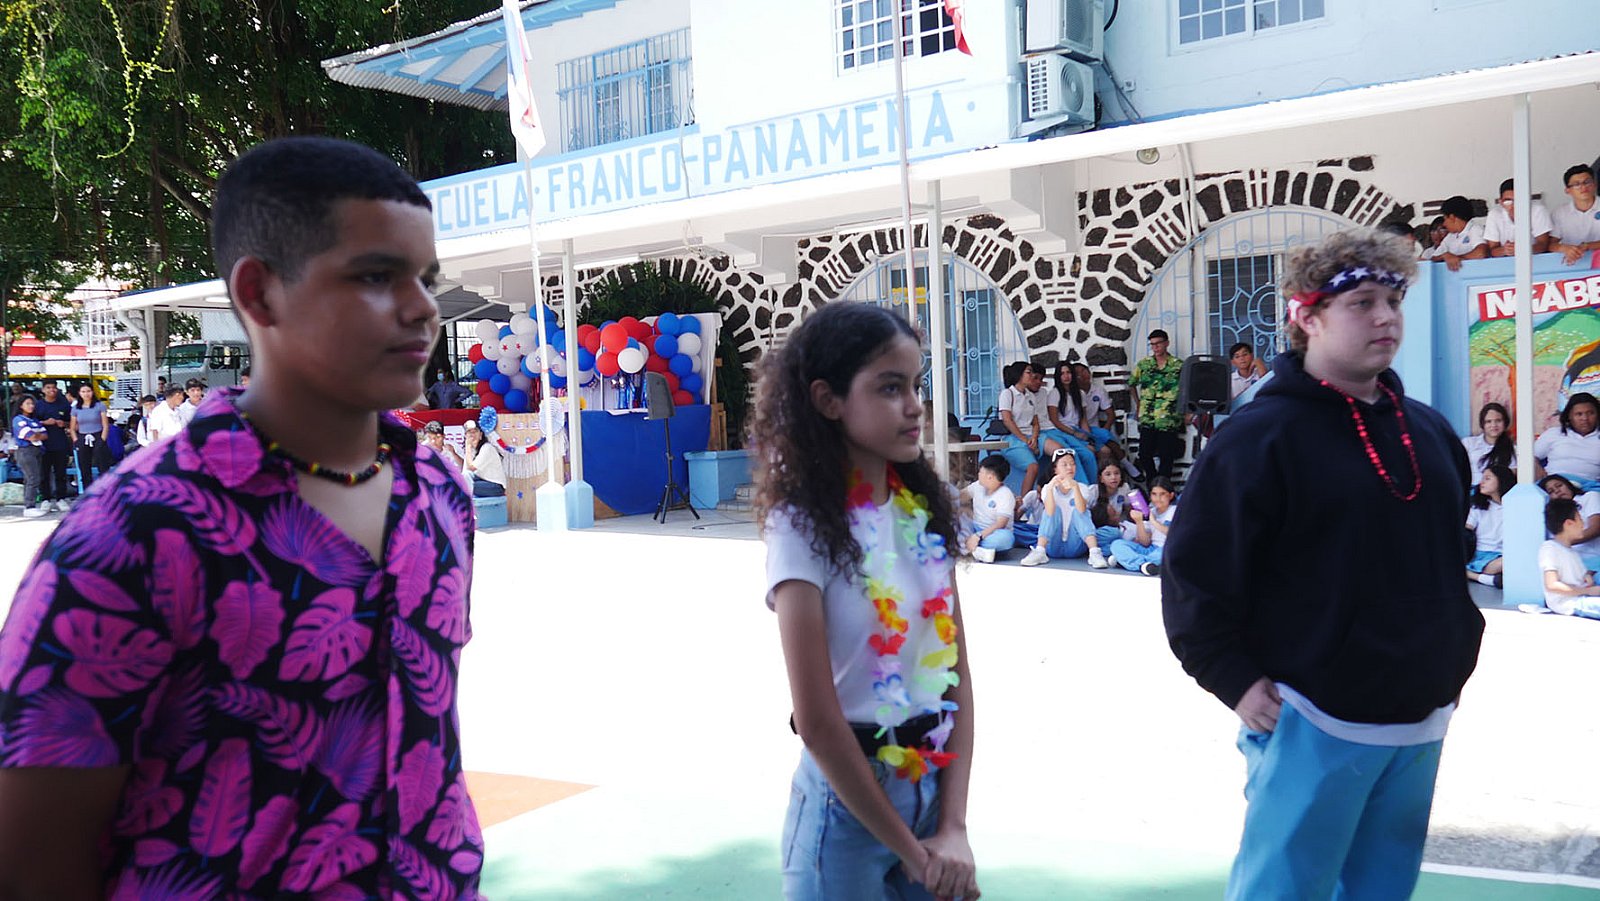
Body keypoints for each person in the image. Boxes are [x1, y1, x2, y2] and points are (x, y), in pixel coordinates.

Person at [0, 136, 483, 896]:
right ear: (259, 294)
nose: (422, 308)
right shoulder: (134, 533)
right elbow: (33, 857)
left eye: (425, 279)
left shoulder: (439, 496)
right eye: (375, 275)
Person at [1162, 228, 1484, 900]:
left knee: (1381, 892)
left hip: (1421, 717)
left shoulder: (1430, 432)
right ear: (1307, 317)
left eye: (1393, 300)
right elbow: (1195, 574)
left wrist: (1452, 659)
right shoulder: (1256, 438)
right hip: (1311, 718)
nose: (1386, 317)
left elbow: (1450, 556)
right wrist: (1232, 678)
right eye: (1362, 302)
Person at [752, 301, 979, 901]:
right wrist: (914, 855)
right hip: (845, 811)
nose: (914, 405)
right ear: (828, 400)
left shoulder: (925, 512)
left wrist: (953, 829)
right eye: (889, 387)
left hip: (931, 791)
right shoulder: (801, 527)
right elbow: (818, 722)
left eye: (916, 385)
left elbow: (957, 680)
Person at [1017, 448, 1111, 569]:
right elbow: (1049, 511)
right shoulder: (1047, 488)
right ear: (1055, 469)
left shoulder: (1082, 487)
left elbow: (1082, 510)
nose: (1069, 467)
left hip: (1075, 544)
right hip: (1053, 544)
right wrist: (1050, 488)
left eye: (1072, 464)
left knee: (1079, 510)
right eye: (1064, 464)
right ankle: (1040, 551)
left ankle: (1094, 553)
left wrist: (1075, 487)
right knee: (1053, 510)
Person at [1131, 329, 1185, 480]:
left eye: (1158, 343)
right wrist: (1138, 404)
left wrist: (1186, 410)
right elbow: (1131, 383)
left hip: (1169, 416)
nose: (1155, 347)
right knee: (1144, 454)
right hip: (1148, 416)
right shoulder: (1144, 364)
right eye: (1152, 344)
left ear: (1166, 343)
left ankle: (1164, 487)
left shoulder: (1178, 365)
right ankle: (1153, 484)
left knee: (1167, 455)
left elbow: (1187, 388)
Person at [1539, 497, 1600, 619]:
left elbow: (1579, 577)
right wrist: (1589, 591)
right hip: (1570, 602)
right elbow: (1551, 585)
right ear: (1569, 523)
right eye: (1580, 519)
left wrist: (1587, 577)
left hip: (1582, 595)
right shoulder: (1550, 548)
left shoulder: (1570, 551)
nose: (1583, 524)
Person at [996, 361, 1045, 502]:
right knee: (1033, 467)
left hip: (1031, 437)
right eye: (1028, 372)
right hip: (1013, 439)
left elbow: (1035, 422)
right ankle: (1024, 503)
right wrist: (1025, 439)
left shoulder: (1030, 396)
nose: (1032, 375)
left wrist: (1034, 438)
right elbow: (1007, 420)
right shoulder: (1007, 394)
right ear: (1019, 375)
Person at [1107, 477, 1176, 576]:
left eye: (1162, 494)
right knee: (1117, 544)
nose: (1158, 498)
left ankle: (1127, 561)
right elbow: (1145, 542)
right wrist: (1139, 521)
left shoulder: (1174, 511)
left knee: (1163, 554)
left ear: (1171, 495)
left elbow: (1172, 534)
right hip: (1151, 548)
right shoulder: (1151, 511)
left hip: (1166, 548)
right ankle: (1143, 565)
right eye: (1154, 494)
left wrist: (1153, 521)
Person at [1534, 391, 1600, 491]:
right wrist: (1537, 467)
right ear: (1569, 416)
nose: (1585, 418)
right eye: (1579, 414)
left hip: (1588, 488)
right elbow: (1530, 456)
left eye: (1590, 413)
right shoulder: (1554, 433)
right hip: (1553, 486)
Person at [961, 455, 1016, 563]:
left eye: (980, 472)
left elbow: (1000, 524)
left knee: (1007, 538)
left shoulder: (1005, 494)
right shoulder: (977, 486)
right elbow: (960, 496)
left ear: (990, 476)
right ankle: (977, 551)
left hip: (993, 533)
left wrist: (978, 536)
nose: (978, 474)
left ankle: (967, 547)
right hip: (975, 527)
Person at [1538, 474, 1600, 571]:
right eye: (1551, 491)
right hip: (1567, 563)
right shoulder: (1550, 514)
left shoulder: (1588, 497)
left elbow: (1596, 528)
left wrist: (1565, 541)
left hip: (1595, 557)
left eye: (1559, 486)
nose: (1557, 491)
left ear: (1568, 485)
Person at [1465, 463, 1511, 588]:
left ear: (1501, 480)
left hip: (1503, 554)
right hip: (1482, 555)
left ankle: (1476, 576)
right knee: (1508, 563)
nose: (1482, 482)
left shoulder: (1513, 506)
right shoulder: (1477, 507)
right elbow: (1467, 530)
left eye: (1487, 478)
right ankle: (1485, 578)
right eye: (1482, 478)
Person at [1483, 177, 1554, 257]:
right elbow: (1493, 251)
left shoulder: (1538, 210)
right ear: (1501, 202)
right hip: (1505, 261)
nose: (1514, 205)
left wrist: (1523, 249)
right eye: (1508, 201)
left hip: (1535, 260)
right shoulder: (1494, 215)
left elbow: (1543, 245)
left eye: (1519, 200)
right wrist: (1505, 250)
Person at [31, 377, 73, 512]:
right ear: (43, 390)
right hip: (43, 444)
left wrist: (64, 424)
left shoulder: (64, 404)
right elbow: (30, 422)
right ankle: (46, 499)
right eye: (48, 388)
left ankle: (61, 498)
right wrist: (44, 422)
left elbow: (71, 422)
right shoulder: (38, 405)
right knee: (44, 473)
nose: (51, 390)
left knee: (60, 472)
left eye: (54, 387)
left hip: (60, 443)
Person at [68, 381, 114, 491]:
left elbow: (105, 425)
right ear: (79, 393)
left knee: (103, 465)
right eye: (83, 391)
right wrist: (76, 440)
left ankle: (105, 490)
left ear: (92, 392)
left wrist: (102, 439)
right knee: (84, 467)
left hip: (97, 435)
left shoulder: (99, 406)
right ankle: (87, 491)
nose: (86, 394)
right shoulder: (76, 408)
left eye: (88, 391)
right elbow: (72, 427)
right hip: (82, 437)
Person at [1551, 164, 1600, 265]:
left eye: (1587, 182)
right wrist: (1564, 248)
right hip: (1573, 264)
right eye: (1576, 184)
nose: (1583, 187)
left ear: (1595, 184)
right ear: (1567, 190)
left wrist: (1588, 246)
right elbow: (1550, 244)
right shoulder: (1560, 212)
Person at [9, 395, 47, 518]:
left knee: (32, 478)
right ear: (21, 406)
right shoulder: (18, 420)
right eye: (28, 404)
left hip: (37, 450)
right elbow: (31, 436)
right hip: (25, 451)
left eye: (32, 404)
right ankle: (29, 506)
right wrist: (36, 434)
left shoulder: (34, 420)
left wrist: (36, 435)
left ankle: (30, 504)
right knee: (33, 478)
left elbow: (45, 435)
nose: (31, 406)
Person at [1463, 401, 1516, 489]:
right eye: (1488, 421)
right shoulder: (1468, 443)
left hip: (1494, 493)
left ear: (1505, 423)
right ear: (1482, 424)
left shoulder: (1512, 449)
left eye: (1498, 421)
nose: (1493, 425)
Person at [1430, 195, 1488, 271]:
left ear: (1452, 217)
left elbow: (1480, 253)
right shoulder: (1450, 236)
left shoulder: (1475, 229)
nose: (1444, 224)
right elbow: (1433, 259)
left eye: (1445, 219)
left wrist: (1456, 258)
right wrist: (1444, 256)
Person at [462, 418, 506, 497]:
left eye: (475, 431)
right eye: (469, 432)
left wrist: (468, 446)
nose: (472, 435)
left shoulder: (487, 448)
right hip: (481, 482)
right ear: (466, 436)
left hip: (495, 486)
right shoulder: (471, 451)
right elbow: (466, 473)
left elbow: (471, 468)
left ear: (481, 435)